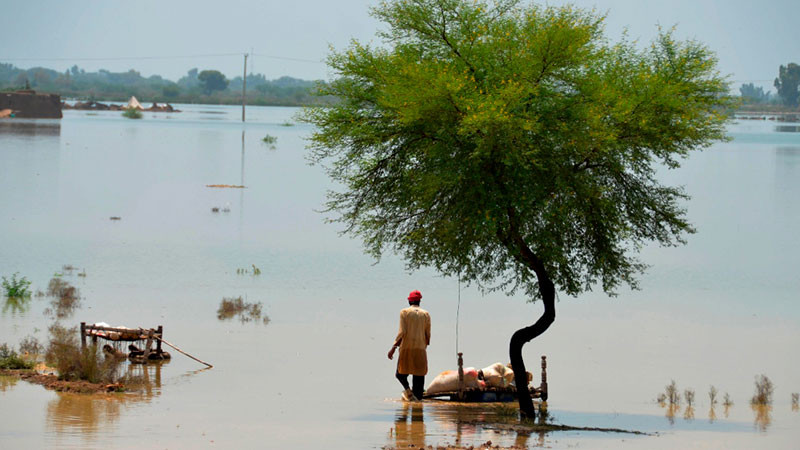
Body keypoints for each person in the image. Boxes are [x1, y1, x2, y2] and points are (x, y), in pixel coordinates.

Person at [388, 290, 431, 401]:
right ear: (419, 300)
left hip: (406, 348)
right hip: (420, 349)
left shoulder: (404, 312)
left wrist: (393, 347)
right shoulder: (426, 314)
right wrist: (423, 345)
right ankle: (417, 411)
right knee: (419, 378)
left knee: (400, 374)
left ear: (409, 300)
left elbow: (402, 332)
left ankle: (407, 391)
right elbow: (428, 335)